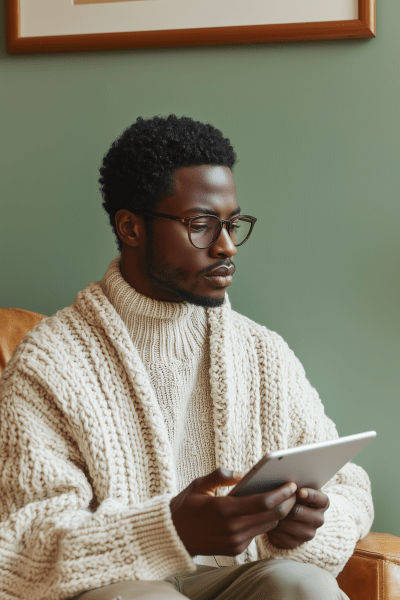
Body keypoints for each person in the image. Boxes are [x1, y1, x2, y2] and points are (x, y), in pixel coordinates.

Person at [0, 115, 373, 600]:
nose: (225, 246)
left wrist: (307, 525)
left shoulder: (263, 353)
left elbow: (352, 488)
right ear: (131, 227)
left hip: (236, 579)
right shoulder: (49, 363)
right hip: (115, 589)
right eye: (201, 225)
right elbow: (25, 545)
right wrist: (168, 532)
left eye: (233, 223)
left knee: (304, 586)